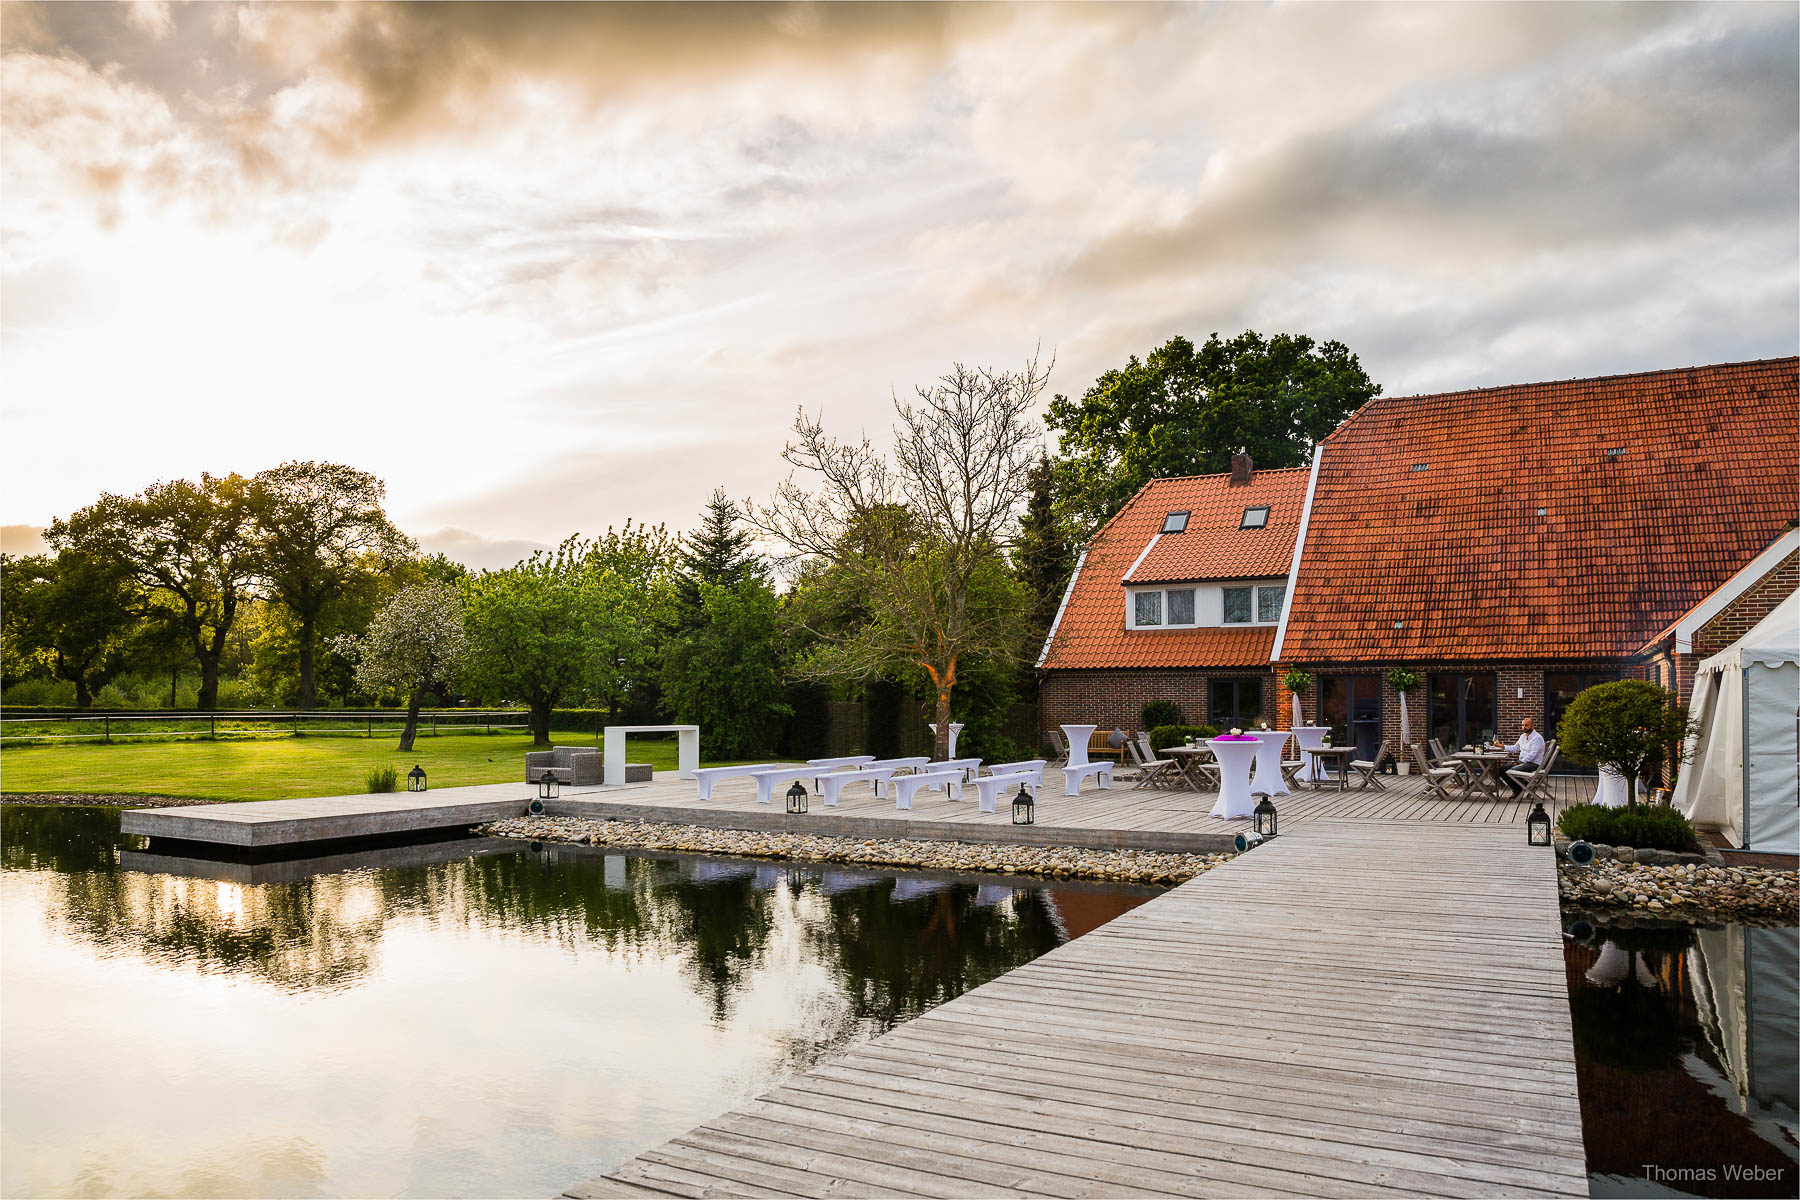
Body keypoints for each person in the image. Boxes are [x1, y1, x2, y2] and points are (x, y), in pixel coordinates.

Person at [1500, 717, 1546, 795]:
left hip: (1533, 764)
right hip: (1523, 762)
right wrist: (1502, 746)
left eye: (1526, 725)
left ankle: (1518, 789)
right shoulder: (1523, 736)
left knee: (1508, 770)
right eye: (1522, 725)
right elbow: (1515, 748)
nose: (1524, 727)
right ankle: (1521, 785)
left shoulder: (1537, 738)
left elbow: (1532, 755)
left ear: (1532, 726)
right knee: (1502, 769)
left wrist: (1519, 762)